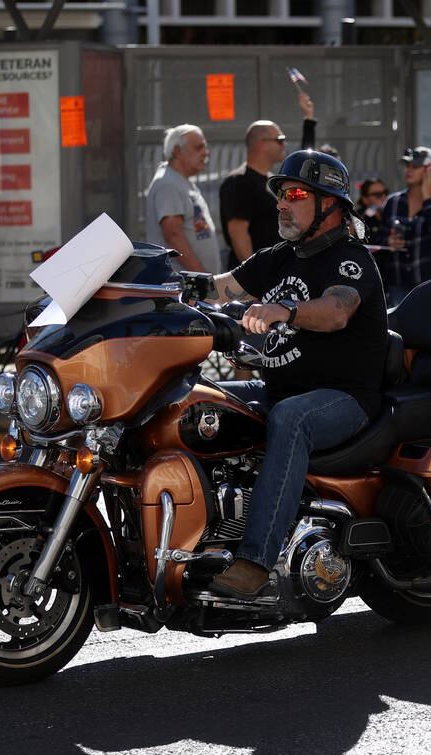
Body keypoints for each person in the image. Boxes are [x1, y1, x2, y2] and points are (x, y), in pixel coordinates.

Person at [189, 150, 388, 599]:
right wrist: (151, 281)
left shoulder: (348, 258)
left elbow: (337, 310)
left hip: (343, 397)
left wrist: (286, 310)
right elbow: (220, 286)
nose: (281, 203)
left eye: (294, 193)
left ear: (330, 204)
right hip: (279, 388)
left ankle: (256, 560)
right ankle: (199, 541)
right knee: (196, 401)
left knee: (292, 418)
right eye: (280, 194)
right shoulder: (280, 257)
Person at [378, 146, 431, 305]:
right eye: (408, 166)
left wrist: (427, 196)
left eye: (416, 166)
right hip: (397, 285)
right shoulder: (393, 202)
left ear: (430, 170)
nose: (409, 170)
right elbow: (379, 238)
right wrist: (388, 241)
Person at [145, 124, 219, 273]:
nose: (206, 153)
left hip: (192, 286)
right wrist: (202, 277)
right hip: (182, 286)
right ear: (178, 151)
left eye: (205, 147)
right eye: (199, 148)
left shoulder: (180, 180)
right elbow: (173, 234)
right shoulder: (168, 183)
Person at [219, 120, 289, 271]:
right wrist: (255, 275)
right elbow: (238, 233)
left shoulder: (271, 181)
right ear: (261, 144)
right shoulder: (239, 181)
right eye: (280, 140)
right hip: (255, 281)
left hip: (274, 273)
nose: (285, 144)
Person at [354, 178, 392, 288]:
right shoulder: (358, 218)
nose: (383, 197)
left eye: (385, 193)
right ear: (365, 199)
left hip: (391, 276)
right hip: (368, 276)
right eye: (377, 195)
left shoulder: (392, 215)